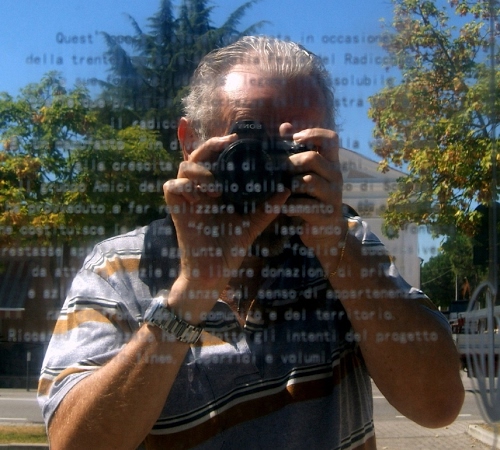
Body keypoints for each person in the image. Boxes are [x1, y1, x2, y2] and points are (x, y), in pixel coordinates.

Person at [38, 36, 464, 450]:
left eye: (295, 147)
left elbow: (438, 406)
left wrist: (339, 251)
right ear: (189, 142)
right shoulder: (118, 268)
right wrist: (192, 290)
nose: (272, 167)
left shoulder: (346, 245)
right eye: (250, 144)